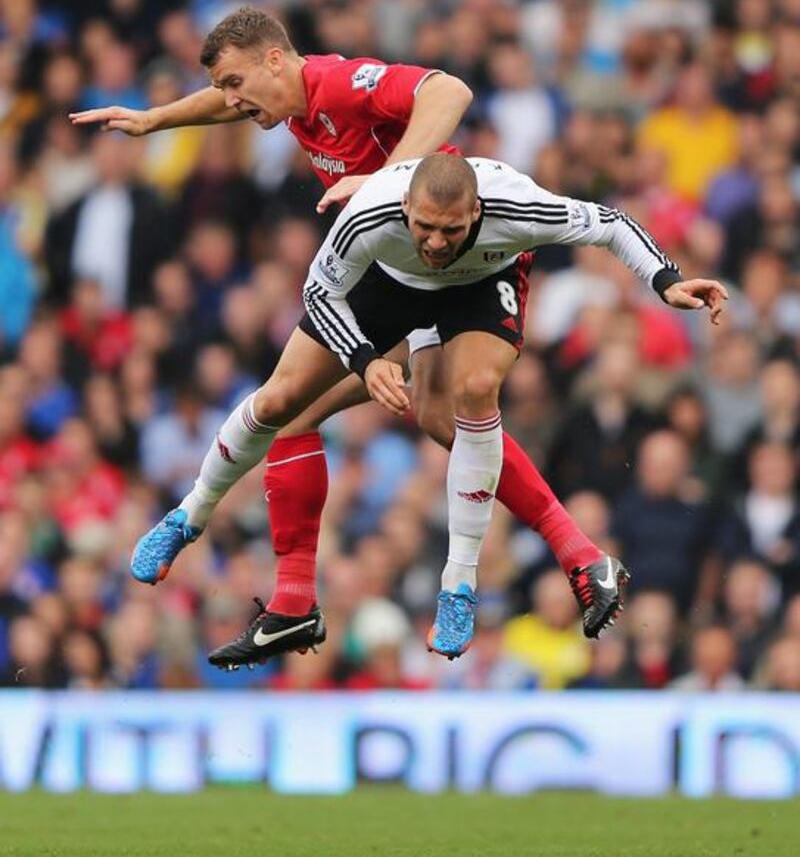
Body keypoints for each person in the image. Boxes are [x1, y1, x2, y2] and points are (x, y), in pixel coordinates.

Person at [73, 8, 631, 650]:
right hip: (397, 266)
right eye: (224, 88)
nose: (231, 101)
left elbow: (449, 91)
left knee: (370, 407)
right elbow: (233, 100)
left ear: (275, 61)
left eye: (235, 82)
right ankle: (299, 603)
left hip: (440, 260)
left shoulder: (340, 84)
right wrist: (155, 119)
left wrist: (389, 177)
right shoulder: (289, 100)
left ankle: (561, 561)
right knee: (383, 414)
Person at [169, 151, 724, 668]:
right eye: (426, 226)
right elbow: (319, 293)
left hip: (479, 279)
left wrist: (666, 281)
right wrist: (366, 362)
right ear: (408, 205)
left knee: (472, 391)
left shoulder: (506, 201)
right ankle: (278, 591)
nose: (436, 240)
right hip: (393, 279)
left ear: (475, 210)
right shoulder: (364, 204)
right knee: (292, 409)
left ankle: (462, 584)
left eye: (451, 227)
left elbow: (607, 221)